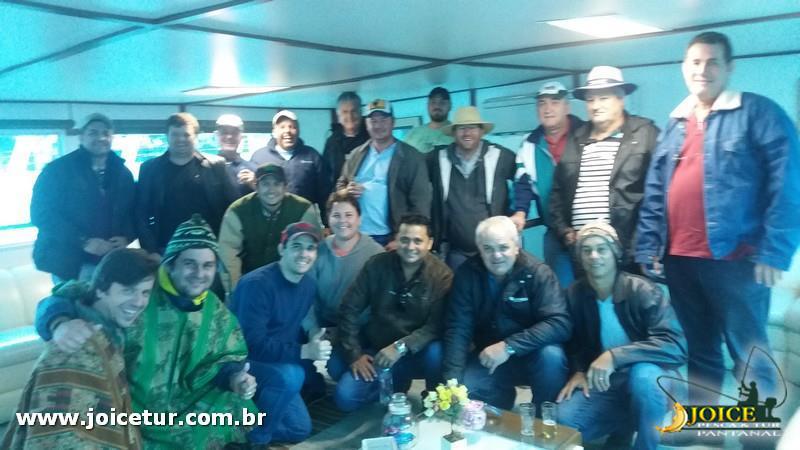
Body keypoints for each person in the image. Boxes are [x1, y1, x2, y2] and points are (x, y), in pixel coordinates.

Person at [635, 31, 800, 409]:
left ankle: (757, 434)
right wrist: (647, 246)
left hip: (735, 260)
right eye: (696, 62)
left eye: (712, 62)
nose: (703, 70)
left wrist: (775, 251)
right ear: (684, 67)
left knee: (750, 355)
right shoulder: (675, 122)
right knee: (700, 350)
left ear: (729, 68)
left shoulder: (758, 113)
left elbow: (789, 183)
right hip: (679, 261)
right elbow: (655, 190)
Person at [35, 215, 258, 449]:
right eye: (190, 264)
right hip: (137, 408)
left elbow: (224, 355)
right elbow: (66, 296)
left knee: (237, 406)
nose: (199, 274)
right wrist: (59, 323)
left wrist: (235, 377)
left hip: (186, 401)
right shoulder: (143, 284)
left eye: (208, 266)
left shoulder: (213, 306)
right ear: (171, 264)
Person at [3, 249, 157, 449]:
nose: (139, 302)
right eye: (128, 290)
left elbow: (72, 290)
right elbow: (56, 435)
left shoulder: (111, 326)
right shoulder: (75, 342)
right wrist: (58, 322)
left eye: (145, 293)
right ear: (101, 290)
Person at [556, 221, 687, 450]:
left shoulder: (643, 290)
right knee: (565, 420)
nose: (594, 256)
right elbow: (573, 342)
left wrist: (615, 356)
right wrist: (578, 370)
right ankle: (624, 425)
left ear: (615, 252)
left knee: (643, 377)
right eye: (586, 250)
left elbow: (675, 345)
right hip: (608, 381)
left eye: (601, 249)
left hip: (653, 378)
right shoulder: (575, 294)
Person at [443, 216, 571, 410]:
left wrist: (509, 347)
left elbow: (559, 323)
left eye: (503, 247)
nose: (496, 255)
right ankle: (500, 409)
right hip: (489, 357)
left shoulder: (539, 273)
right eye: (488, 249)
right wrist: (452, 383)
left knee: (552, 357)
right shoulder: (467, 274)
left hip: (533, 354)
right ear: (479, 249)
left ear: (517, 246)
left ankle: (544, 418)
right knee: (466, 389)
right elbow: (458, 329)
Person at [333, 214, 453, 411]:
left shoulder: (442, 275)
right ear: (396, 239)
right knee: (346, 398)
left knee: (437, 351)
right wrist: (355, 354)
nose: (410, 246)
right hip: (379, 352)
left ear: (430, 243)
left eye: (418, 241)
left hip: (417, 353)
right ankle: (394, 385)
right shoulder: (376, 265)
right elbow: (349, 308)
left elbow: (436, 326)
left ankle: (432, 399)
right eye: (404, 240)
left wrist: (401, 347)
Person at [549, 66, 659, 275]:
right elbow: (557, 191)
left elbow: (660, 195)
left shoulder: (645, 133)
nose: (595, 106)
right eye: (590, 100)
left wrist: (645, 245)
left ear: (621, 99)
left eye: (603, 98)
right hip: (584, 251)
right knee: (586, 297)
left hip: (629, 252)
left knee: (631, 295)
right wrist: (564, 231)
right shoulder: (576, 138)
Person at [229, 222, 332, 446]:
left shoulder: (308, 285)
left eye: (310, 248)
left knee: (299, 429)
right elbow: (251, 344)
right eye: (296, 246)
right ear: (281, 249)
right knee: (292, 375)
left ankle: (236, 427)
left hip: (275, 360)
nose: (304, 253)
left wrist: (315, 336)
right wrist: (305, 351)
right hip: (239, 362)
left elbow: (304, 319)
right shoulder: (257, 285)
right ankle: (255, 440)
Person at [31, 113, 136, 283]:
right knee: (73, 301)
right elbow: (41, 215)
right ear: (81, 137)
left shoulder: (122, 173)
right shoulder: (57, 170)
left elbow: (133, 211)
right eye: (93, 132)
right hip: (68, 262)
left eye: (106, 133)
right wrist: (84, 242)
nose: (101, 138)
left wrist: (127, 236)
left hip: (109, 262)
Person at [512, 82, 587, 286]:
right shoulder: (529, 144)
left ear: (567, 106)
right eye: (542, 103)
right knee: (560, 290)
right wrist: (520, 212)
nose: (548, 108)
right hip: (555, 233)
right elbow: (523, 182)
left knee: (597, 288)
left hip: (591, 231)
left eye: (555, 102)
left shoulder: (588, 135)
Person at [136, 112, 238, 256]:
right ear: (167, 136)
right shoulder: (149, 169)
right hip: (165, 250)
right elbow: (140, 214)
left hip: (209, 247)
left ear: (196, 137)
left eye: (186, 135)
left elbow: (232, 208)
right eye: (175, 135)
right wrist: (150, 251)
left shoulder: (216, 166)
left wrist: (227, 246)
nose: (181, 139)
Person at [427, 106, 516, 270]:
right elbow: (411, 173)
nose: (467, 133)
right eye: (461, 128)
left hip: (494, 250)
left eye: (472, 127)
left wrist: (520, 212)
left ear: (482, 131)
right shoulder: (438, 158)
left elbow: (525, 178)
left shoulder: (501, 156)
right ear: (454, 133)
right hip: (454, 252)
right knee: (458, 287)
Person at [336, 99, 432, 246]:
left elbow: (420, 204)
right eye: (373, 121)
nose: (378, 125)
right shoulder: (356, 154)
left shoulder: (412, 157)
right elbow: (340, 186)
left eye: (383, 120)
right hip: (356, 234)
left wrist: (403, 238)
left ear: (393, 122)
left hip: (390, 238)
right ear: (366, 124)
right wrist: (346, 191)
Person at [218, 164, 321, 290]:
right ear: (256, 186)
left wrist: (301, 288)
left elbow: (314, 252)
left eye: (277, 184)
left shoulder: (303, 209)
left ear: (285, 187)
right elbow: (228, 254)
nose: (271, 190)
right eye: (265, 184)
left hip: (289, 280)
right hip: (249, 279)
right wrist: (235, 290)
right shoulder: (238, 210)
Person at [251, 110, 332, 219]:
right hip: (268, 221)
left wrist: (327, 223)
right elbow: (253, 193)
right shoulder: (259, 157)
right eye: (282, 127)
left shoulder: (312, 156)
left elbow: (325, 194)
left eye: (292, 127)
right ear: (274, 131)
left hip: (304, 219)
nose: (287, 131)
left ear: (298, 131)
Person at [322, 91, 370, 184]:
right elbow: (325, 175)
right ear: (338, 115)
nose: (349, 116)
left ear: (361, 112)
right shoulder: (331, 142)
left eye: (353, 111)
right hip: (340, 192)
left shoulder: (372, 138)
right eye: (345, 112)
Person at [216, 113, 257, 197]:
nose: (229, 136)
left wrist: (255, 185)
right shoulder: (207, 168)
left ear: (241, 137)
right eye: (224, 132)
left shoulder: (252, 169)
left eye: (234, 133)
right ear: (217, 135)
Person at [403, 87, 455, 153]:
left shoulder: (457, 133)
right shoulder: (413, 134)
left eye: (442, 102)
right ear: (427, 106)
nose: (437, 106)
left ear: (450, 106)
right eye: (433, 102)